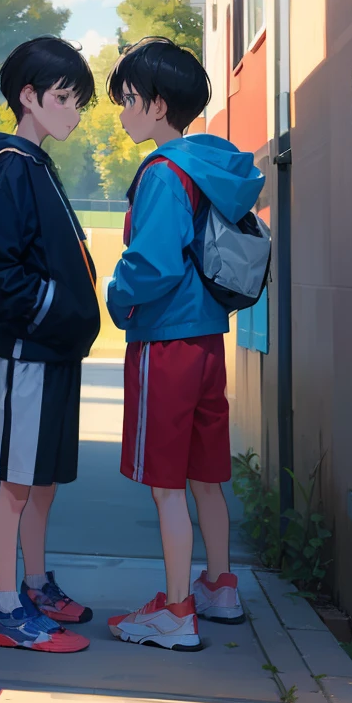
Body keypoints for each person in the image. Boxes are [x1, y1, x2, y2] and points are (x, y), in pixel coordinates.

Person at [104, 37, 264, 650]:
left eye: (127, 100)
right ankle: (219, 587)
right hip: (206, 340)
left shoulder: (164, 172)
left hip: (164, 339)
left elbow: (153, 262)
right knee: (204, 475)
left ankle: (175, 611)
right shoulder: (211, 166)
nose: (122, 113)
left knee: (165, 482)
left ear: (156, 104)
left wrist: (117, 298)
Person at [0, 37, 102, 653]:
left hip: (54, 351)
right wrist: (47, 309)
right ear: (28, 98)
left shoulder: (34, 164)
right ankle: (7, 609)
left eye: (79, 101)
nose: (74, 111)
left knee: (41, 481)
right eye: (64, 98)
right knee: (17, 483)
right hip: (31, 353)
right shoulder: (13, 165)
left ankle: (34, 586)